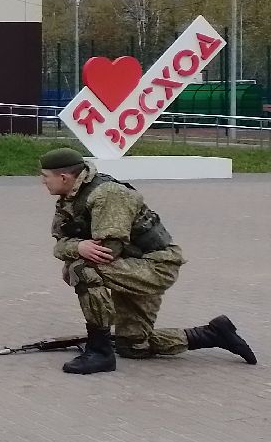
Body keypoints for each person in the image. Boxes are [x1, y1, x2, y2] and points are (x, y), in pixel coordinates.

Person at [38, 147, 256, 374]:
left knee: (82, 269)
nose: (42, 182)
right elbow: (61, 242)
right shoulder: (70, 198)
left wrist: (75, 253)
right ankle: (212, 334)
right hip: (129, 266)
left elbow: (107, 252)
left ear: (64, 177)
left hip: (154, 266)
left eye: (45, 176)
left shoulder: (107, 194)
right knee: (133, 346)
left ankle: (100, 351)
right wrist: (77, 247)